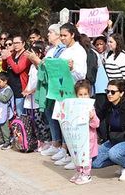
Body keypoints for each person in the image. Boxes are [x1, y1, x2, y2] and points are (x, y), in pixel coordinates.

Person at [49, 23, 89, 166]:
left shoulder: (79, 51)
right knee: (64, 124)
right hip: (61, 93)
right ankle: (67, 152)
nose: (63, 38)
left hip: (72, 94)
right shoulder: (65, 51)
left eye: (65, 35)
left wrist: (72, 69)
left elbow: (81, 75)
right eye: (61, 35)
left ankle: (76, 157)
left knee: (73, 127)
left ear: (72, 34)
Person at [93, 79, 125, 181]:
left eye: (113, 92)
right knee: (94, 163)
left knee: (114, 153)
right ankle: (121, 160)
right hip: (114, 140)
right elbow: (97, 117)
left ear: (121, 93)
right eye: (107, 91)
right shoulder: (107, 106)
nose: (109, 94)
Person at [40, 24, 67, 157]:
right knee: (50, 113)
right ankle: (55, 142)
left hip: (60, 87)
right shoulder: (51, 49)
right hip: (51, 86)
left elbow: (56, 66)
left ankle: (61, 145)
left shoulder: (62, 49)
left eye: (51, 32)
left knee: (58, 115)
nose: (48, 35)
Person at [68, 80, 100, 185]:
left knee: (86, 157)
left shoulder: (91, 108)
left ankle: (86, 174)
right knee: (77, 156)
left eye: (85, 94)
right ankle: (79, 172)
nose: (83, 97)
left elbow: (96, 124)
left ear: (89, 94)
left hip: (88, 139)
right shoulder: (74, 107)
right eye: (80, 94)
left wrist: (92, 117)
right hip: (77, 137)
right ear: (76, 95)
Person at [23, 41, 50, 151]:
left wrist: (31, 91)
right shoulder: (32, 67)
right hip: (30, 98)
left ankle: (46, 141)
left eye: (32, 53)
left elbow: (40, 82)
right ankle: (38, 140)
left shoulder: (41, 66)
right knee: (33, 121)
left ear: (38, 54)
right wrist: (26, 90)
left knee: (40, 121)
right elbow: (30, 81)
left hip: (37, 98)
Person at [1, 35, 31, 117]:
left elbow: (18, 70)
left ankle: (22, 129)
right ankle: (14, 129)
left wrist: (9, 57)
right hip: (11, 86)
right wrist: (4, 59)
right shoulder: (13, 54)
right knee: (12, 111)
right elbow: (4, 68)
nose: (15, 45)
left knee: (20, 112)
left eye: (18, 43)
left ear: (23, 43)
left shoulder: (26, 55)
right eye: (14, 43)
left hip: (20, 88)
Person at [0, 72, 15, 150]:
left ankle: (7, 141)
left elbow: (4, 99)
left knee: (5, 128)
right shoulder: (0, 88)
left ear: (5, 81)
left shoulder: (8, 90)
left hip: (5, 112)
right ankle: (2, 140)